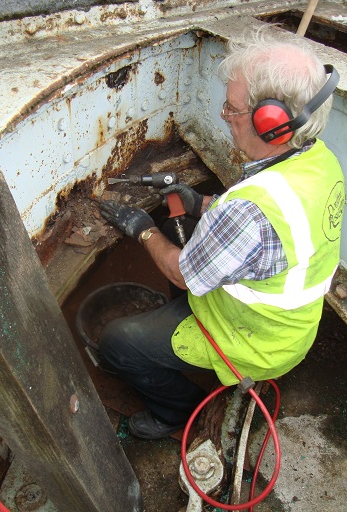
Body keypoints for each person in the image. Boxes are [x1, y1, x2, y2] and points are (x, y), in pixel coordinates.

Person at [99, 27, 345, 440]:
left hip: (251, 342)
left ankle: (172, 414)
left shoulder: (248, 210)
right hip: (290, 330)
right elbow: (265, 229)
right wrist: (197, 203)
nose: (222, 116)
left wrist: (141, 231)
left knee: (118, 342)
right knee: (182, 227)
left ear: (272, 124)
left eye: (231, 109)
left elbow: (182, 273)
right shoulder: (320, 160)